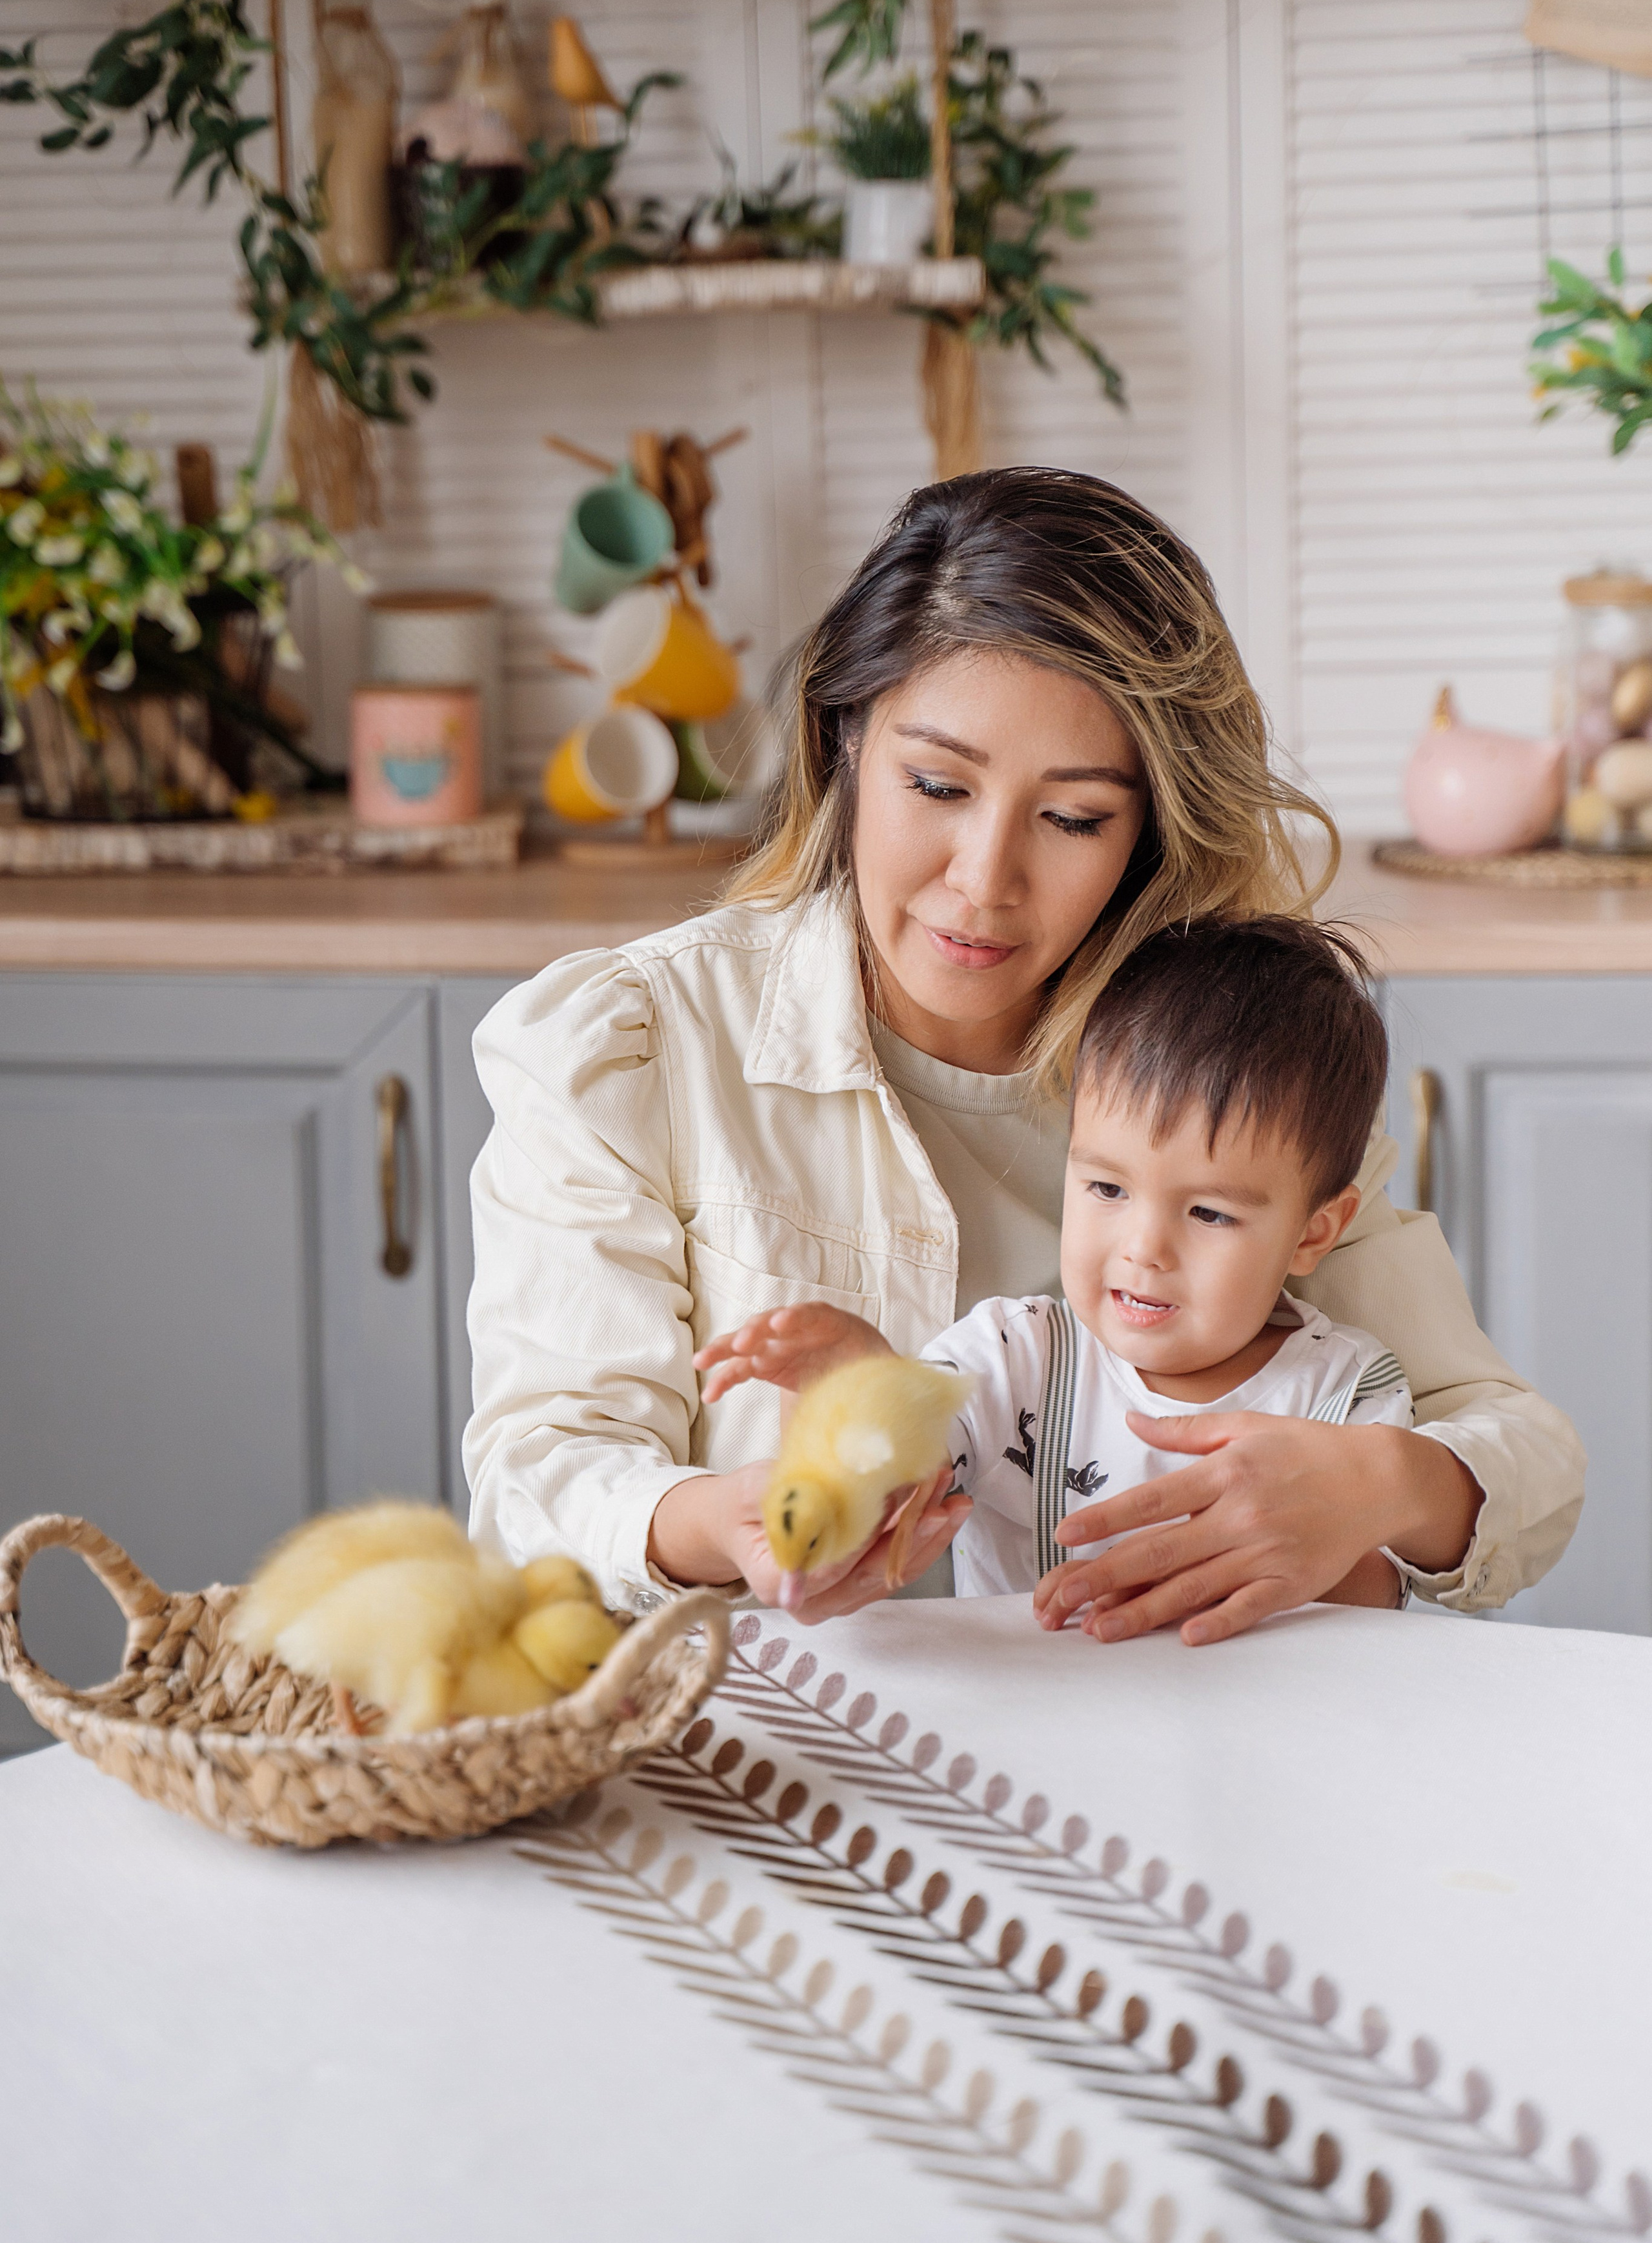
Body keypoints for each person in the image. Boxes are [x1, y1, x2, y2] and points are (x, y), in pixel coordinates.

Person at [464, 468, 1582, 1639]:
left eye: (1074, 819)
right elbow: (538, 1478)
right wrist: (717, 1521)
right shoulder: (635, 1044)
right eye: (937, 785)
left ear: (1149, 827)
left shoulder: (1222, 1070)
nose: (983, 881)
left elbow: (1520, 1457)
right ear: (846, 741)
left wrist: (1380, 1488)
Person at [693, 918, 1422, 1644]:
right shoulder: (1016, 1354)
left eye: (1207, 1212)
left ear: (1315, 1232)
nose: (1144, 1249)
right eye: (1107, 1189)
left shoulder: (1346, 1394)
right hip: (1029, 1732)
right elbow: (904, 1468)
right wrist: (853, 1396)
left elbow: (1382, 1598)